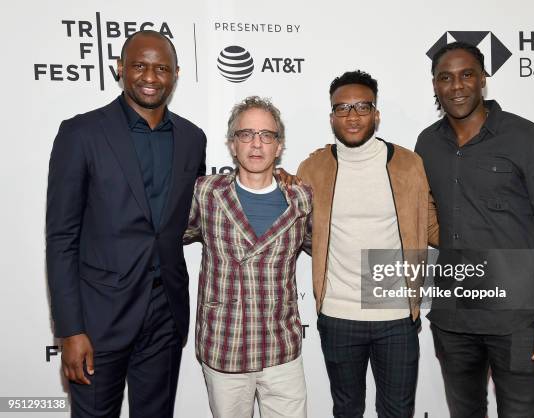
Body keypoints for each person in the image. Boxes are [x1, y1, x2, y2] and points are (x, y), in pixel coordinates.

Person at [415, 41, 534, 418]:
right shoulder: (427, 144)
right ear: (435, 86)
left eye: (467, 74)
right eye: (446, 77)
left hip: (517, 320)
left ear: (483, 80)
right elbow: (421, 214)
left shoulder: (524, 138)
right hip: (453, 319)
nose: (457, 86)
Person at [46, 30, 206, 417]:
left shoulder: (192, 138)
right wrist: (70, 329)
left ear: (176, 74)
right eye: (139, 65)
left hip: (165, 314)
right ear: (120, 69)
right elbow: (61, 238)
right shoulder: (81, 133)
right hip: (99, 319)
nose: (150, 77)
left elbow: (196, 212)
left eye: (161, 68)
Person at [297, 70, 439, 417]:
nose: (352, 115)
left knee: (398, 411)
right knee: (347, 411)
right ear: (332, 116)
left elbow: (430, 225)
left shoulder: (408, 163)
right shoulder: (313, 167)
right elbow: (300, 231)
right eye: (342, 108)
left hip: (396, 314)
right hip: (338, 313)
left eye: (362, 106)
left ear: (376, 113)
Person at [183, 96, 311, 418]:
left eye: (267, 135)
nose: (257, 144)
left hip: (281, 347)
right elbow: (169, 236)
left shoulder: (301, 198)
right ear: (232, 144)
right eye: (246, 134)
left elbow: (321, 246)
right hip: (225, 346)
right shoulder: (206, 193)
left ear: (279, 146)